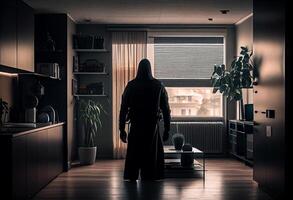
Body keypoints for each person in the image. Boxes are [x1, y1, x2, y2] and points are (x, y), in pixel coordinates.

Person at [119, 58, 171, 181]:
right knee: (152, 152)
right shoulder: (159, 86)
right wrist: (167, 129)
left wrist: (121, 129)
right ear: (150, 69)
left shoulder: (131, 85)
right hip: (152, 125)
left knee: (134, 152)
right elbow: (166, 109)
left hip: (136, 124)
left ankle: (132, 176)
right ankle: (150, 175)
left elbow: (123, 109)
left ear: (138, 69)